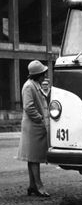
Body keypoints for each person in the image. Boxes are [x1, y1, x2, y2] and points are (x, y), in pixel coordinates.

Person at [17, 60, 50, 197]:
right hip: (33, 127)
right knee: (34, 157)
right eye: (43, 73)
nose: (44, 76)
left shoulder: (35, 85)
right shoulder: (29, 86)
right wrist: (40, 119)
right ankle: (38, 186)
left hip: (35, 127)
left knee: (32, 157)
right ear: (38, 74)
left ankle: (32, 185)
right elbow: (28, 106)